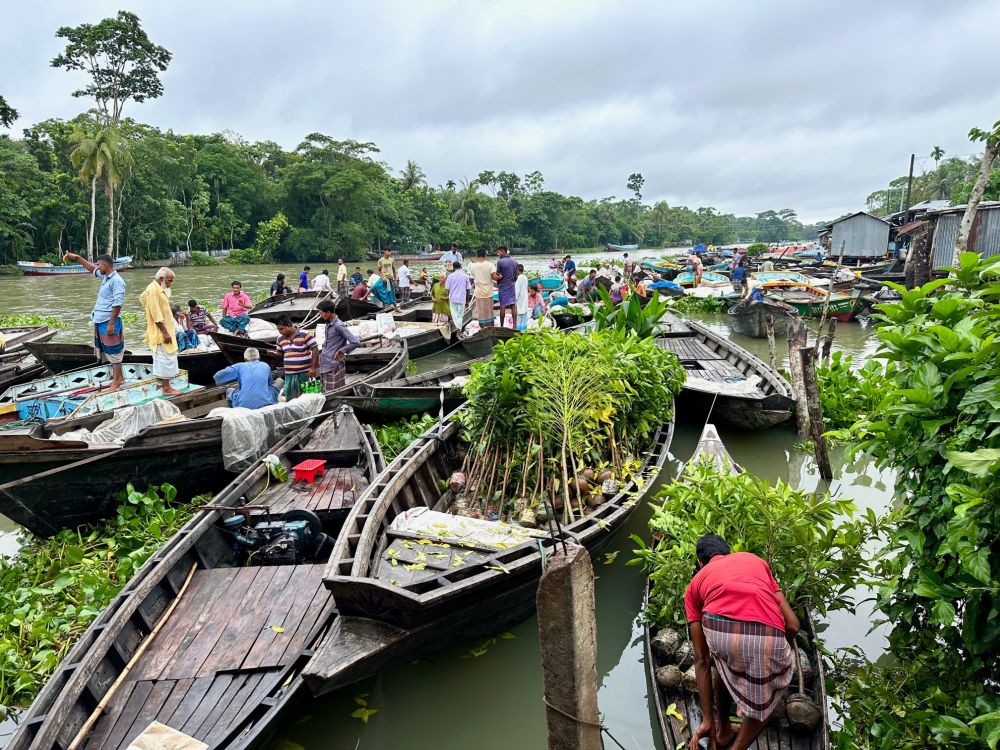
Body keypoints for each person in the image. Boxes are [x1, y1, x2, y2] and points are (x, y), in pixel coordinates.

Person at [686, 535, 798, 750]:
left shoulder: (695, 584)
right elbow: (792, 624)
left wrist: (707, 719)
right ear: (729, 552)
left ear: (701, 563)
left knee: (723, 665)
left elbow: (702, 660)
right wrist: (775, 654)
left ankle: (722, 728)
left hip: (720, 633)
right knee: (769, 693)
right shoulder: (755, 561)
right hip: (770, 633)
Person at [64, 252, 126, 390]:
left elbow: (118, 304)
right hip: (101, 319)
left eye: (99, 265)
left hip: (109, 320)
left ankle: (116, 381)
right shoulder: (106, 277)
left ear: (105, 265)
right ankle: (118, 378)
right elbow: (92, 269)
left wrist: (111, 323)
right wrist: (78, 259)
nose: (97, 267)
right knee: (107, 350)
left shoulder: (117, 281)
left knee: (114, 351)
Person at [139, 267, 181, 396]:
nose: (170, 283)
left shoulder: (160, 288)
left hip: (167, 328)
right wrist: (165, 332)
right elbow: (156, 315)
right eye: (169, 280)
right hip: (161, 331)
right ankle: (166, 388)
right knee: (164, 359)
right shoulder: (152, 291)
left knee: (168, 357)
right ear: (161, 279)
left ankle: (167, 385)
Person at [213, 348, 278, 409]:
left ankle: (232, 411)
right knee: (279, 382)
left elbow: (217, 377)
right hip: (266, 401)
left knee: (229, 390)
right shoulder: (266, 365)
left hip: (243, 403)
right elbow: (270, 383)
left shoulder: (239, 366)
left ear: (245, 359)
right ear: (259, 357)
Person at [317, 299, 360, 391]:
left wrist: (341, 350)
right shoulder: (328, 324)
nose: (320, 316)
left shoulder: (338, 325)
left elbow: (355, 342)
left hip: (334, 364)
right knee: (325, 391)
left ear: (328, 312)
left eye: (321, 313)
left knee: (333, 392)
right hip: (325, 362)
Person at [275, 315, 318, 400]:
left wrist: (313, 368)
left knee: (312, 397)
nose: (280, 331)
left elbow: (315, 349)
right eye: (278, 329)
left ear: (289, 326)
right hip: (289, 375)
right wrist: (271, 353)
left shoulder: (305, 334)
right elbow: (280, 354)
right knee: (291, 399)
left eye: (281, 329)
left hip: (306, 373)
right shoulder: (279, 339)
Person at [469, 249, 498, 327]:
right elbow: (494, 277)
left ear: (477, 256)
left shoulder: (473, 266)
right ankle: (490, 326)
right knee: (489, 310)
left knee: (481, 311)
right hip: (488, 291)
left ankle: (482, 327)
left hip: (479, 291)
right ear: (485, 255)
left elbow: (473, 276)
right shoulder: (490, 265)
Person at [445, 261, 472, 329]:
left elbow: (447, 288)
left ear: (453, 267)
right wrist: (467, 301)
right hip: (461, 299)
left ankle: (456, 329)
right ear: (460, 267)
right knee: (460, 316)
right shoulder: (465, 276)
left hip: (452, 299)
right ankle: (458, 331)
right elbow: (468, 289)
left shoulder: (450, 276)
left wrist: (449, 297)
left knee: (454, 315)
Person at [495, 246, 518, 328]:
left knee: (503, 306)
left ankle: (501, 326)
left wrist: (498, 283)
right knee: (513, 305)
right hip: (511, 285)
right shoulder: (515, 262)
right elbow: (516, 276)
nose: (498, 254)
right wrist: (511, 281)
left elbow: (497, 275)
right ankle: (514, 326)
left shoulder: (500, 262)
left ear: (503, 252)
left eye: (499, 252)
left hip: (503, 285)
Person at [514, 264, 529, 332]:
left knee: (519, 314)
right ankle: (524, 329)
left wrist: (515, 300)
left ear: (517, 270)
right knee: (524, 314)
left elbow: (517, 291)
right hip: (525, 298)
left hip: (520, 299)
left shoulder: (519, 279)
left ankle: (519, 330)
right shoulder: (525, 277)